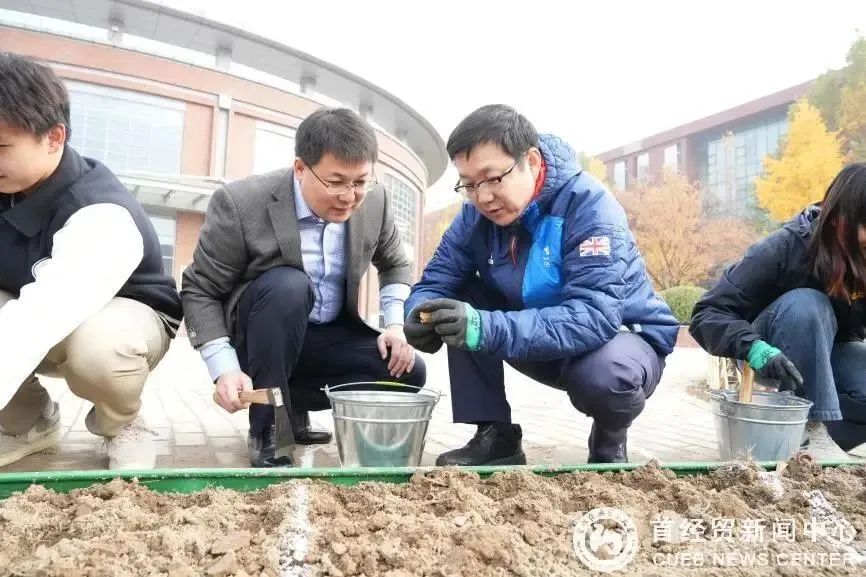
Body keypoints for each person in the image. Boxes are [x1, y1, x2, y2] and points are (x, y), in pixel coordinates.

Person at [404, 104, 679, 465]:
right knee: (455, 299)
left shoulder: (589, 208)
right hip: (536, 337)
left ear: (531, 162)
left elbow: (594, 316)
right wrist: (418, 311)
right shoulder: (474, 216)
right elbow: (437, 279)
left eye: (492, 178)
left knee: (605, 376)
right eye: (469, 184)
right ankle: (495, 435)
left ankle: (609, 439)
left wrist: (485, 327)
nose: (482, 196)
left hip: (619, 341)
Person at [181, 107, 426, 468]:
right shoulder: (241, 203)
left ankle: (291, 405)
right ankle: (268, 428)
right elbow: (199, 289)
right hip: (261, 338)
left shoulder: (375, 201)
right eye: (336, 181)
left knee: (408, 373)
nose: (349, 196)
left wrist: (393, 325)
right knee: (288, 286)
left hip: (325, 334)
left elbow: (394, 263)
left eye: (360, 182)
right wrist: (223, 368)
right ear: (300, 169)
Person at [0, 52, 182, 470]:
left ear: (54, 137)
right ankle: (28, 423)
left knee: (100, 347)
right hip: (32, 306)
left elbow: (36, 320)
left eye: (1, 147)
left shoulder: (101, 213)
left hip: (127, 319)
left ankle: (123, 423)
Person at [690, 163, 866, 460]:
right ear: (838, 220)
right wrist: (755, 349)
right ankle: (812, 430)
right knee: (807, 306)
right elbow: (707, 313)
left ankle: (796, 443)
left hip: (834, 349)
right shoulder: (786, 248)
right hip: (769, 350)